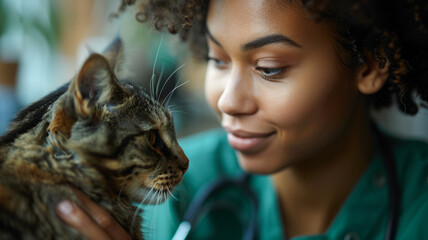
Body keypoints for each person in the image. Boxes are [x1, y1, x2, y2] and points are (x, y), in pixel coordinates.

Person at [55, 0, 428, 239]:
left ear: (369, 63)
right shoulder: (175, 187)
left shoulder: (420, 204)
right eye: (217, 60)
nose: (228, 101)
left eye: (269, 68)